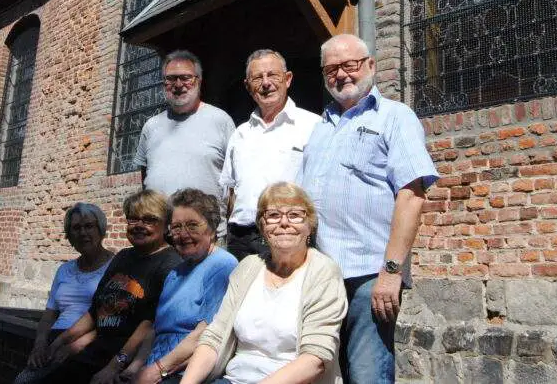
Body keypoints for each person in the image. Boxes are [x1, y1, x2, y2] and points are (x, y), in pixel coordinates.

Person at [297, 33, 438, 384]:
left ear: (370, 66)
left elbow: (412, 195)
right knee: (324, 374)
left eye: (350, 65)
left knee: (366, 373)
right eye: (332, 69)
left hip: (368, 274)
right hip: (320, 274)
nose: (341, 74)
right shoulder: (320, 127)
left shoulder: (394, 117)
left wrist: (391, 271)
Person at [178, 182, 347, 384]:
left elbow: (316, 358)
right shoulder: (248, 267)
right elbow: (215, 337)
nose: (284, 223)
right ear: (262, 226)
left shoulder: (323, 272)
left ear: (309, 225)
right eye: (273, 215)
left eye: (294, 215)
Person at [34, 190, 182, 384]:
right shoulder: (123, 257)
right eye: (133, 219)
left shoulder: (170, 264)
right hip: (95, 351)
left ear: (166, 225)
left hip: (124, 360)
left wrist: (115, 366)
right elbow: (95, 311)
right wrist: (61, 341)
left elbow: (149, 324)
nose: (139, 226)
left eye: (149, 220)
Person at [122, 188, 237, 384]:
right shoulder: (176, 271)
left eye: (192, 225)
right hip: (154, 365)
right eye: (176, 227)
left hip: (185, 371)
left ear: (212, 227)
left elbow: (205, 335)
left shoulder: (222, 265)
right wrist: (134, 367)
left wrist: (157, 371)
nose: (183, 234)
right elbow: (155, 330)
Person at [220, 49, 320, 260]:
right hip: (241, 238)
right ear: (248, 87)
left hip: (287, 235)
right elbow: (231, 193)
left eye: (272, 75)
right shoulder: (240, 134)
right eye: (258, 77)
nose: (266, 83)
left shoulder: (313, 126)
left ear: (288, 79)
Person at [14, 203, 115, 384]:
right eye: (76, 228)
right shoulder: (64, 270)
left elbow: (115, 320)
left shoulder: (115, 267)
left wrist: (73, 346)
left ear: (101, 230)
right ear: (69, 236)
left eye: (89, 226)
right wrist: (40, 343)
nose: (83, 233)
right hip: (56, 339)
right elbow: (49, 315)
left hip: (91, 343)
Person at [134, 50, 235, 216]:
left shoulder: (221, 121)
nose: (178, 84)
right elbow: (145, 180)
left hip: (207, 234)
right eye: (171, 79)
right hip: (160, 233)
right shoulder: (151, 127)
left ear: (199, 81)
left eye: (186, 78)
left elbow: (234, 184)